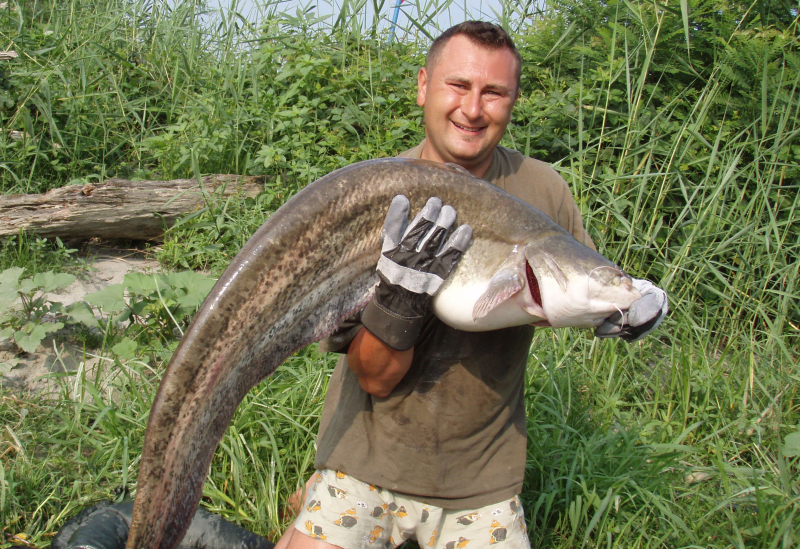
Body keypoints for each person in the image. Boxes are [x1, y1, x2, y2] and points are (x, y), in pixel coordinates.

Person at [275, 21, 667, 549]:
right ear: (424, 86)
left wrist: (629, 303)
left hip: (481, 482)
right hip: (365, 463)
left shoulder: (544, 191)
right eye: (458, 85)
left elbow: (584, 279)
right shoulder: (379, 197)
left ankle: (307, 500)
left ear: (514, 100)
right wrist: (399, 303)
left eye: (494, 92)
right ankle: (317, 493)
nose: (473, 109)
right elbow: (374, 379)